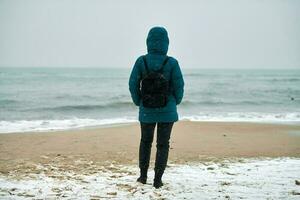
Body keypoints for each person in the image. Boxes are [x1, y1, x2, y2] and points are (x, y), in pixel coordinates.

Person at [129, 26, 184, 189]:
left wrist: (139, 101)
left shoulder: (141, 61)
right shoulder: (172, 62)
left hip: (147, 110)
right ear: (166, 43)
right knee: (163, 144)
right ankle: (158, 180)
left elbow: (132, 84)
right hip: (167, 111)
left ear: (148, 42)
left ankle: (143, 176)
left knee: (145, 142)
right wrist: (175, 102)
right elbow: (179, 86)